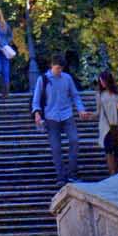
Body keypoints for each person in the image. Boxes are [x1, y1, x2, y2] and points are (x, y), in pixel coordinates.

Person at [32, 55, 91, 187]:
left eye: (61, 69)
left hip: (66, 114)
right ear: (51, 66)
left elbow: (75, 95)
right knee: (56, 147)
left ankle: (72, 173)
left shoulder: (67, 78)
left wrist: (80, 109)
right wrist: (37, 113)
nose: (59, 71)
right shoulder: (43, 79)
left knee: (74, 140)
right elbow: (36, 99)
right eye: (57, 68)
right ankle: (61, 176)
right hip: (51, 115)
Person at [96, 69, 118, 176]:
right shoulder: (99, 95)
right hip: (105, 125)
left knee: (117, 150)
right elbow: (98, 112)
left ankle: (117, 171)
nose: (101, 83)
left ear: (108, 80)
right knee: (108, 149)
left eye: (103, 81)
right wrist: (88, 115)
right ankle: (112, 172)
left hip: (117, 124)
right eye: (100, 81)